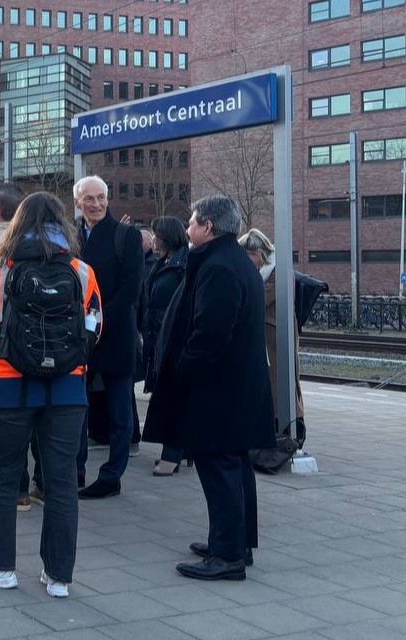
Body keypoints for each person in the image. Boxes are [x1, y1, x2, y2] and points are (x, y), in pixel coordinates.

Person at [0, 191, 102, 598]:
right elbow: (95, 328)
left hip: (10, 386)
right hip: (68, 390)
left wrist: (4, 353)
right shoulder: (83, 271)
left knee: (2, 478)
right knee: (60, 483)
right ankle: (58, 578)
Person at [143, 195, 274, 581]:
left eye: (192, 222)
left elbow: (210, 333)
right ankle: (235, 542)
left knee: (218, 467)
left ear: (209, 227)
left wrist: (184, 368)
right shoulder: (233, 260)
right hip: (234, 388)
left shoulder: (217, 267)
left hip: (217, 390)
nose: (187, 229)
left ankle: (228, 555)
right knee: (235, 467)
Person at [0, 182, 44, 509]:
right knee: (41, 426)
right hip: (45, 351)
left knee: (6, 430)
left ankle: (14, 492)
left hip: (3, 352)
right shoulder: (52, 246)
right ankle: (41, 488)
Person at [74, 176, 144, 499]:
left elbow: (130, 290)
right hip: (78, 340)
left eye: (101, 197)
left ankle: (111, 477)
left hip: (114, 336)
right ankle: (75, 471)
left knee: (120, 413)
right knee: (76, 408)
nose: (97, 204)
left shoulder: (125, 236)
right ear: (78, 202)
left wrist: (96, 322)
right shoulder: (71, 236)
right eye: (89, 198)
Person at [239, 228, 306, 442]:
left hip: (276, 336)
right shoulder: (266, 271)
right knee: (270, 385)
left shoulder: (278, 270)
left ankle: (289, 430)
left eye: (246, 256)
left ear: (257, 253)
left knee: (280, 383)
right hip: (266, 334)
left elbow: (260, 298)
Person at [142, 217, 190, 477]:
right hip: (159, 337)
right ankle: (179, 451)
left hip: (173, 339)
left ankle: (172, 454)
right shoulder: (163, 263)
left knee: (171, 398)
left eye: (157, 235)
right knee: (166, 395)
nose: (153, 240)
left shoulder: (183, 265)